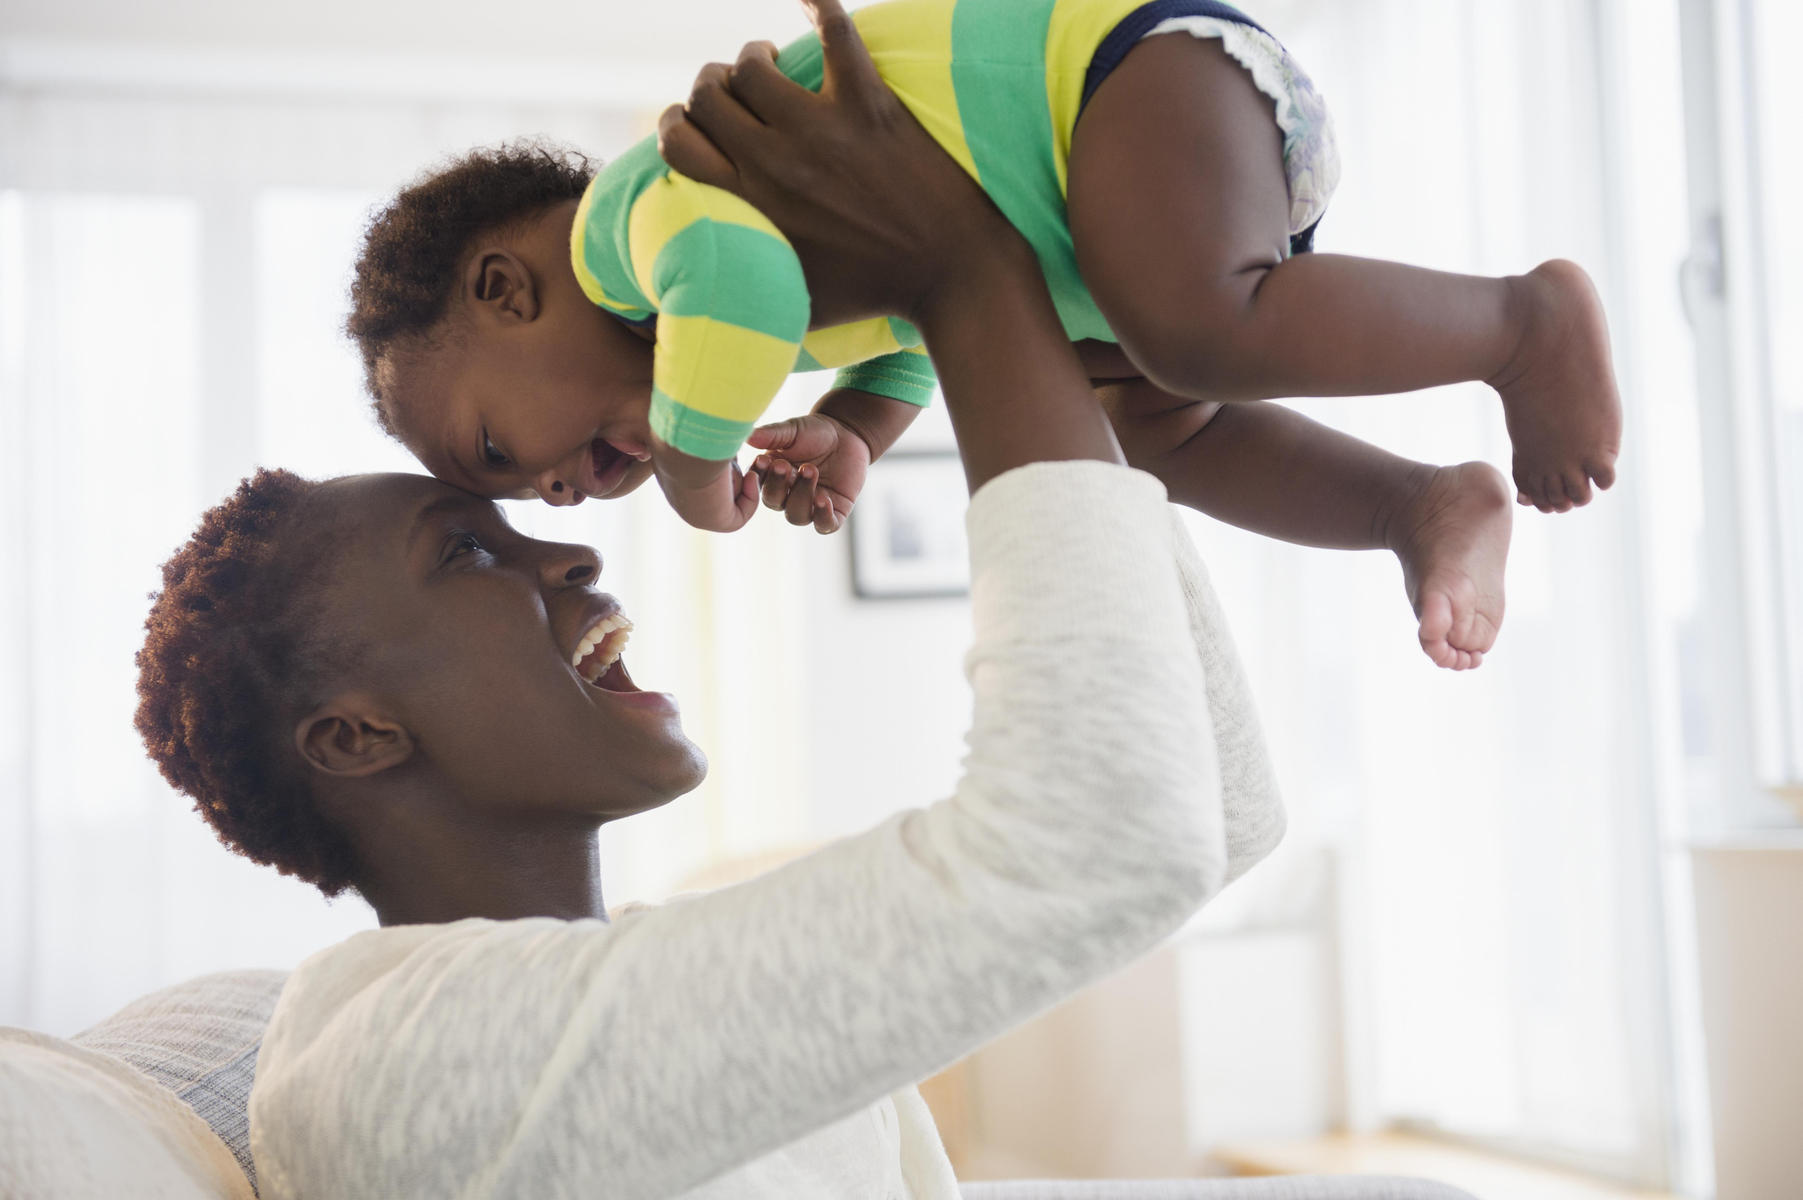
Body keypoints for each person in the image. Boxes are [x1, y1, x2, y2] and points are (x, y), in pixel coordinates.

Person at [131, 6, 1284, 1195]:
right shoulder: (398, 1054)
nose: (575, 555)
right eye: (467, 555)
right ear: (355, 735)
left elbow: (1214, 817)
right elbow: (1106, 845)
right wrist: (971, 274)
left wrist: (1080, 380)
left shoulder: (647, 976)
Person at [341, 0, 1622, 671]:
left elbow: (738, 285)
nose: (557, 493)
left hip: (1112, 86)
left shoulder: (642, 217)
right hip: (1112, 224)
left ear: (509, 291)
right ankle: (1416, 506)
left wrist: (692, 469)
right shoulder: (720, 307)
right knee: (1159, 426)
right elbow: (905, 317)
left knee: (1193, 338)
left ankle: (1522, 325)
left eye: (503, 448)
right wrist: (854, 420)